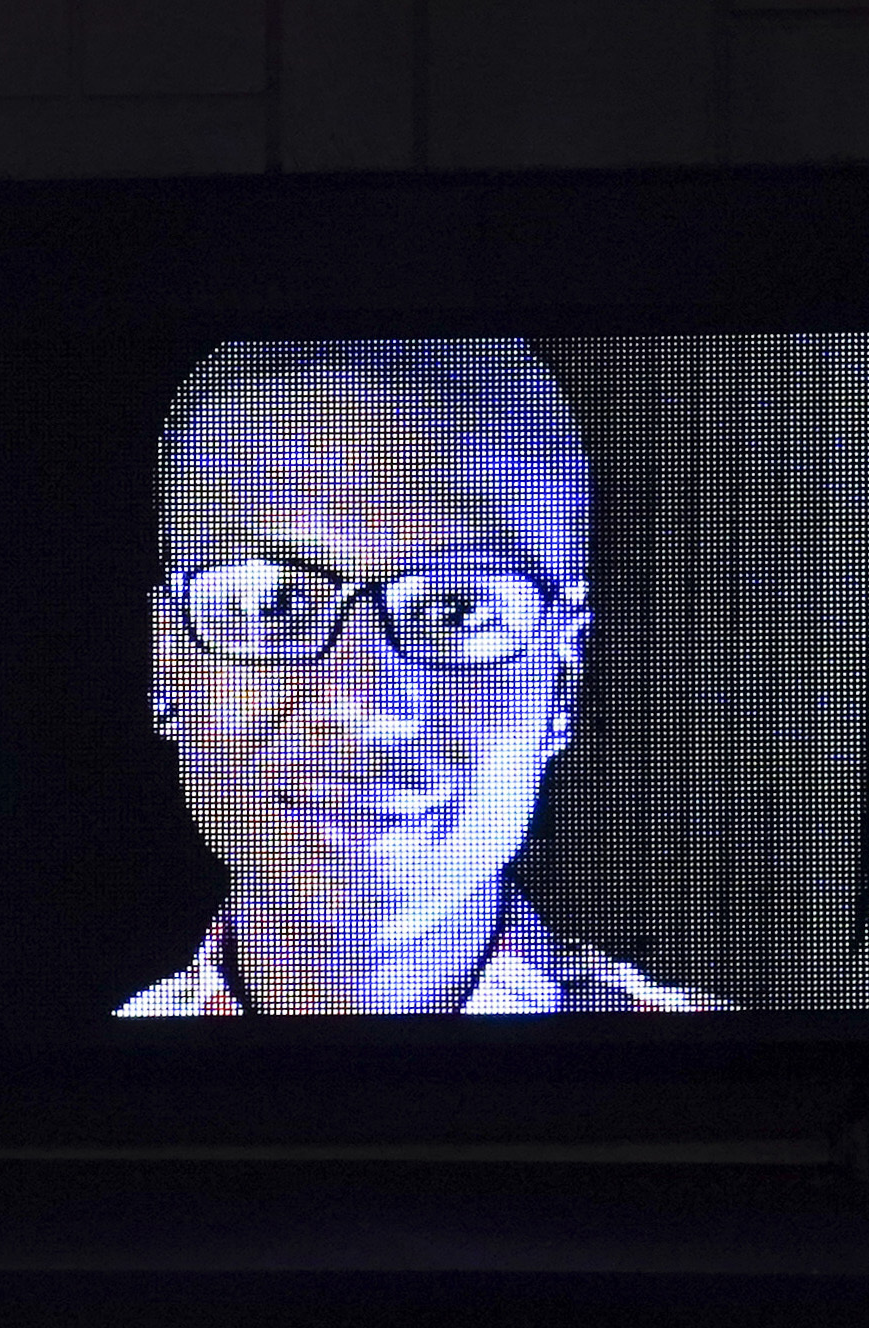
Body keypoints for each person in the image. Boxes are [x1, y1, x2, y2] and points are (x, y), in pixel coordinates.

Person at [119, 337, 727, 1022]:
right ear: (166, 659)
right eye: (273, 603)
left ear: (563, 683)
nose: (365, 703)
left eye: (461, 609)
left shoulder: (746, 1101)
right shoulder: (59, 1116)